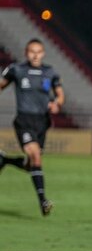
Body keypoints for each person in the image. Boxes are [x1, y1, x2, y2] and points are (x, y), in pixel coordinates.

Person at [0, 38, 64, 216]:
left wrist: (57, 103)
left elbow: (60, 94)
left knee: (31, 165)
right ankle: (43, 201)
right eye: (32, 52)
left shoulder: (50, 72)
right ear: (26, 53)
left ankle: (5, 160)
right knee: (36, 156)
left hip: (42, 122)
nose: (35, 55)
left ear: (43, 53)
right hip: (24, 121)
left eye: (38, 52)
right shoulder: (17, 70)